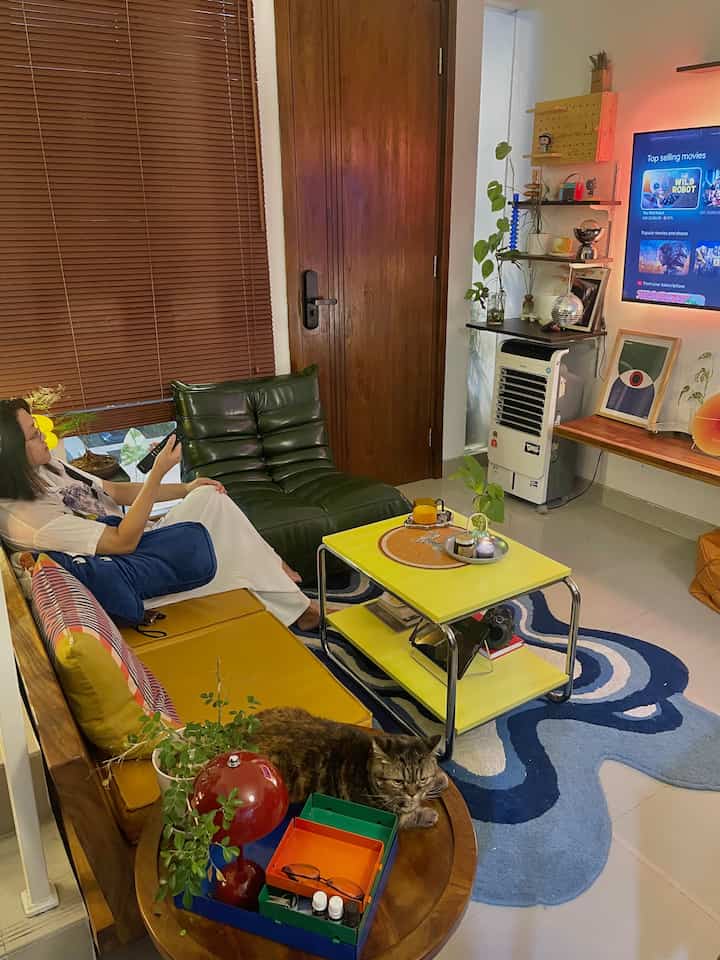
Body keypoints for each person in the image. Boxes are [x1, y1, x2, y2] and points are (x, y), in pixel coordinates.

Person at [0, 399, 320, 630]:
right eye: (33, 434)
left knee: (210, 496)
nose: (42, 434)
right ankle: (301, 604)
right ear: (11, 451)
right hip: (133, 566)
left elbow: (113, 491)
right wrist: (156, 475)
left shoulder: (45, 468)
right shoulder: (28, 519)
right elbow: (122, 541)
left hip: (142, 538)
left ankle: (279, 573)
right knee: (233, 553)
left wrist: (186, 487)